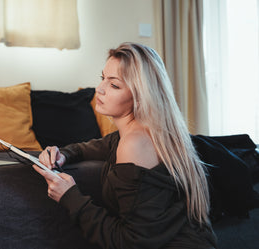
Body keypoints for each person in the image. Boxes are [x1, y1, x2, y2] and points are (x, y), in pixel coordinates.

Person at [32, 42, 217, 249]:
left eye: (114, 85)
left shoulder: (134, 144)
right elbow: (93, 146)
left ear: (140, 96)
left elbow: (131, 242)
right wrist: (63, 153)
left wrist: (70, 196)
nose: (99, 89)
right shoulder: (145, 132)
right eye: (103, 78)